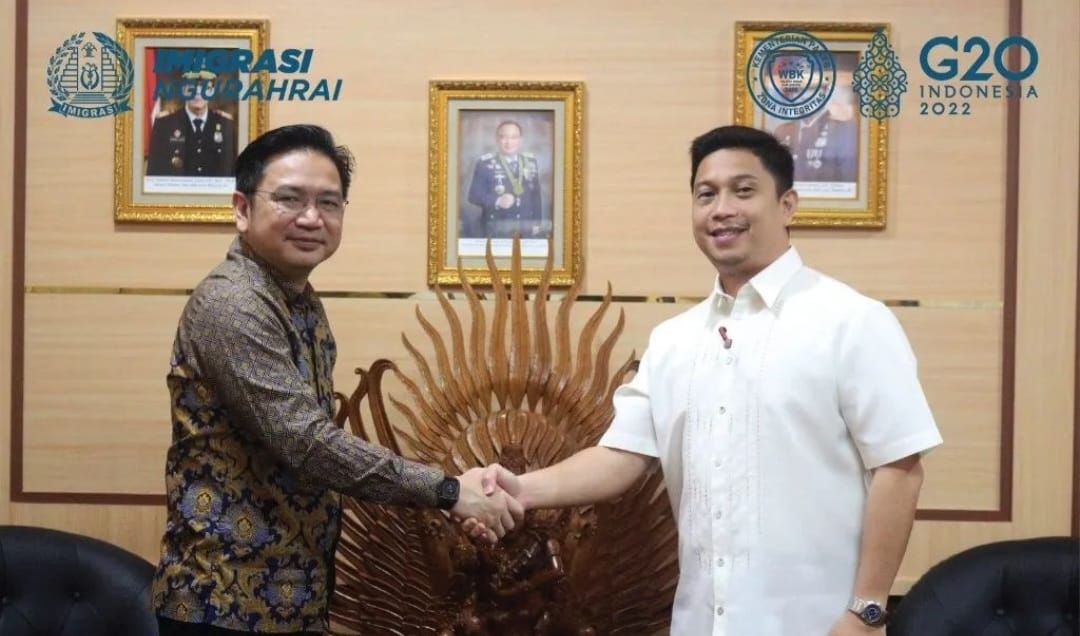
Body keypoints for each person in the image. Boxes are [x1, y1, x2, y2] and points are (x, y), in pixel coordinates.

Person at [481, 125, 943, 635]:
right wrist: (520, 489)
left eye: (743, 191)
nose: (722, 209)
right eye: (706, 194)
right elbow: (620, 456)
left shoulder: (852, 321)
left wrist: (866, 612)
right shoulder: (674, 340)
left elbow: (900, 469)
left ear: (787, 205)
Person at [152, 124, 522, 636]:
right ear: (242, 208)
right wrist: (447, 490)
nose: (311, 218)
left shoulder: (296, 297)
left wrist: (458, 493)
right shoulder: (232, 304)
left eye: (328, 202)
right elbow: (305, 442)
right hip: (224, 600)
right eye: (289, 199)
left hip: (292, 595)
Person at [146, 70, 237, 177]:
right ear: (183, 90)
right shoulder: (164, 124)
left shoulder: (226, 124)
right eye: (191, 88)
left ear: (212, 92)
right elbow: (154, 174)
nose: (198, 93)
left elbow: (233, 173)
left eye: (204, 88)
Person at [464, 120, 546, 238]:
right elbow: (473, 196)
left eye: (514, 137)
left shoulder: (530, 162)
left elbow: (535, 195)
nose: (509, 142)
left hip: (525, 227)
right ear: (497, 140)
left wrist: (537, 222)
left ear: (520, 140)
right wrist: (497, 201)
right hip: (496, 228)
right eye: (504, 137)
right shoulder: (485, 163)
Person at [773, 80, 858, 184]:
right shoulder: (782, 132)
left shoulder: (844, 130)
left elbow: (849, 182)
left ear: (824, 94)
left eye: (811, 88)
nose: (803, 95)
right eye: (796, 89)